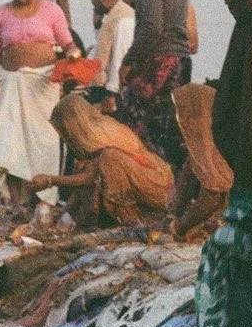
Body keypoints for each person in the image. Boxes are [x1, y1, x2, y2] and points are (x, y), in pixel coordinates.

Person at [0, 0, 75, 204]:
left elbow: (67, 43)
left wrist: (74, 54)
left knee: (44, 141)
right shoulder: (0, 13)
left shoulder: (51, 10)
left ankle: (45, 201)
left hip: (43, 84)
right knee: (11, 142)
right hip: (11, 83)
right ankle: (16, 202)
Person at [30, 91, 173, 229]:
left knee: (109, 160)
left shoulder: (100, 135)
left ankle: (132, 223)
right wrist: (63, 212)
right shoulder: (91, 138)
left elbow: (89, 177)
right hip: (146, 180)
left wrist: (50, 180)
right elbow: (85, 177)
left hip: (156, 183)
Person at [116, 0, 193, 167]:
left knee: (137, 126)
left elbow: (151, 29)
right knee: (169, 130)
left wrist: (128, 62)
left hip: (158, 63)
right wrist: (135, 2)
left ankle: (146, 183)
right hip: (179, 61)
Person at [90, 0, 136, 89]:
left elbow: (120, 55)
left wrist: (113, 88)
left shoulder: (124, 19)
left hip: (120, 84)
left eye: (93, 1)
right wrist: (97, 26)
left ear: (100, 0)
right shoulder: (111, 18)